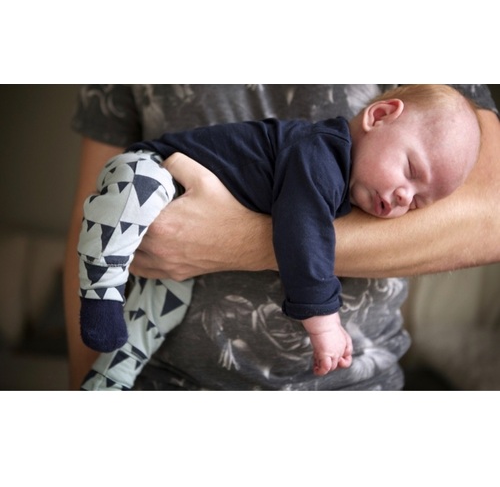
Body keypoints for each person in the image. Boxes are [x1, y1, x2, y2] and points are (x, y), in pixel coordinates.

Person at [65, 84, 499, 391]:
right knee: (125, 205)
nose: (405, 197)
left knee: (159, 311)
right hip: (152, 170)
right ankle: (100, 296)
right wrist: (324, 323)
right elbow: (302, 232)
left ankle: (111, 377)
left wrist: (227, 240)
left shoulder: (344, 182)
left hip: (182, 278)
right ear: (380, 116)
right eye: (410, 170)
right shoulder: (321, 154)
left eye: (419, 202)